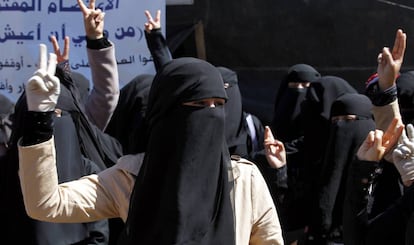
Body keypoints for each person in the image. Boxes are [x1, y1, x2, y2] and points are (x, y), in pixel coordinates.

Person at [17, 52, 284, 244]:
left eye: (218, 104)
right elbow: (46, 204)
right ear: (166, 113)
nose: (212, 114)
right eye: (198, 106)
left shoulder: (243, 179)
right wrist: (39, 122)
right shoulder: (132, 178)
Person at [1, 0, 123, 244]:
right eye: (44, 116)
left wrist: (66, 72)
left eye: (58, 115)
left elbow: (99, 233)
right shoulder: (7, 169)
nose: (51, 125)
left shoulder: (87, 170)